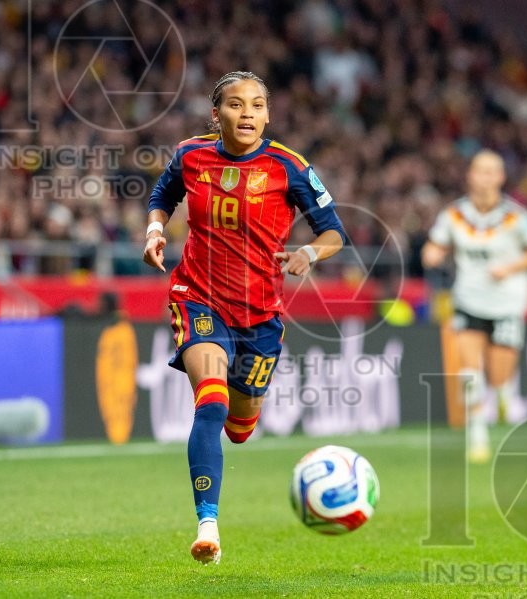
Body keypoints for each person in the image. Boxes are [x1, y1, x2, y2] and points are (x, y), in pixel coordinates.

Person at [143, 71, 346, 564]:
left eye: (257, 105)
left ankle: (242, 417)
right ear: (217, 115)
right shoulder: (192, 155)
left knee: (239, 424)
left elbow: (333, 233)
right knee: (209, 403)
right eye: (236, 105)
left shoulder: (289, 166)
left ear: (268, 115)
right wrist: (154, 230)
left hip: (260, 316)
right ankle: (207, 525)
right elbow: (163, 195)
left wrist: (309, 255)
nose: (247, 113)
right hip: (198, 297)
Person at [421, 150, 527, 463]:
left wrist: (511, 267)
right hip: (468, 300)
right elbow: (435, 244)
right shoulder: (454, 214)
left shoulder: (516, 216)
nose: (485, 177)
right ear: (470, 176)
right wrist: (431, 253)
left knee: (498, 375)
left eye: (492, 171)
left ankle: (504, 394)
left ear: (501, 178)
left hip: (507, 304)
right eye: (480, 171)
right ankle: (477, 436)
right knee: (470, 371)